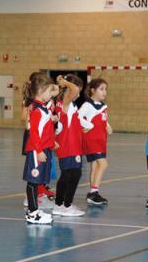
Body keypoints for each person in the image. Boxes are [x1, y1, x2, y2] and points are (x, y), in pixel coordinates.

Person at [52, 74, 89, 217]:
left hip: (69, 144)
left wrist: (80, 128)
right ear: (68, 90)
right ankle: (65, 205)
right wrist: (64, 82)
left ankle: (60, 204)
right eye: (77, 90)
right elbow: (73, 89)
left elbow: (69, 123)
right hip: (69, 146)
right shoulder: (65, 101)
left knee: (68, 174)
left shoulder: (68, 104)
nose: (78, 94)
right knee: (73, 174)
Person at [22, 73, 57, 224]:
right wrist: (38, 150)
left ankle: (35, 209)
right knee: (33, 181)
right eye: (49, 91)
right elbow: (34, 133)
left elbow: (46, 130)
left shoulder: (43, 107)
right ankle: (32, 212)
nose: (52, 94)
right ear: (41, 91)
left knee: (38, 181)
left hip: (44, 148)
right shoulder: (36, 109)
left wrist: (52, 143)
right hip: (37, 151)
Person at [78, 78, 112, 205]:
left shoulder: (103, 105)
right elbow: (78, 117)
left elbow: (102, 118)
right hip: (92, 139)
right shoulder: (87, 105)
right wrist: (89, 125)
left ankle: (92, 194)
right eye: (101, 89)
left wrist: (107, 125)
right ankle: (94, 191)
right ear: (93, 90)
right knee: (103, 164)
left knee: (94, 165)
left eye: (106, 89)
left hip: (101, 139)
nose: (104, 92)